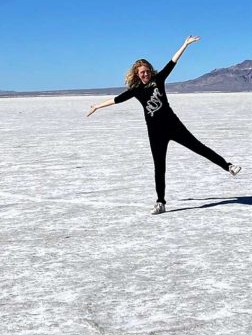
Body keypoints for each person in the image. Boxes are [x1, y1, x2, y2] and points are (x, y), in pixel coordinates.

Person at [87, 36, 241, 214]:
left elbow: (172, 62)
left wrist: (185, 44)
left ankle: (228, 166)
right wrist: (97, 106)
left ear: (150, 71)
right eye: (141, 73)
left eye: (146, 71)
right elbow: (116, 99)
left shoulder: (159, 80)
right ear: (137, 75)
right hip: (155, 133)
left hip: (173, 126)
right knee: (159, 167)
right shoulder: (136, 91)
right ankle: (160, 203)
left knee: (199, 147)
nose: (145, 74)